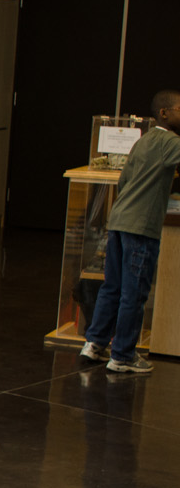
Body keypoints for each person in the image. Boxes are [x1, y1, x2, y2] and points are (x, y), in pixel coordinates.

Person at [80, 90, 180, 374]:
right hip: (141, 227)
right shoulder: (169, 141)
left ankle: (95, 344)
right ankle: (123, 355)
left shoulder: (144, 140)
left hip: (119, 221)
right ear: (164, 113)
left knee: (112, 287)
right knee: (134, 293)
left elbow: (124, 181)